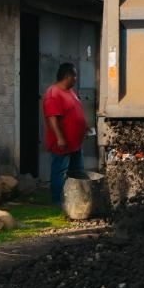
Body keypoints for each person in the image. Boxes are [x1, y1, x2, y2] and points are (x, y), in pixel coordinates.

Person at [42, 62, 87, 205]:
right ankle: (57, 201)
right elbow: (52, 117)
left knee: (77, 172)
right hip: (63, 143)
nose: (76, 78)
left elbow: (74, 113)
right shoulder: (53, 93)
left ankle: (76, 200)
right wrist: (60, 138)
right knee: (60, 172)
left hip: (75, 144)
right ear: (67, 76)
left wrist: (83, 128)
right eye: (74, 76)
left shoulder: (70, 91)